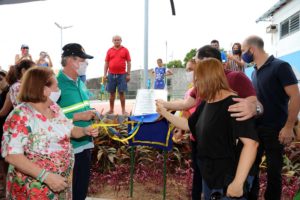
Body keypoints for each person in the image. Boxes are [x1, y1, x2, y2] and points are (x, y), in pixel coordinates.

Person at [157, 58, 259, 199]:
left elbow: (251, 144)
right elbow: (188, 125)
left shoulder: (234, 104)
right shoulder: (207, 103)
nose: (195, 84)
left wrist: (238, 182)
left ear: (209, 79)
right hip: (211, 176)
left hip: (229, 179)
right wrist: (164, 113)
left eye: (198, 80)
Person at [1, 67, 99, 199]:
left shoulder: (54, 108)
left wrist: (84, 131)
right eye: (56, 87)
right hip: (34, 189)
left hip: (59, 185)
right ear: (43, 89)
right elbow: (12, 156)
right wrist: (46, 177)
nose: (59, 90)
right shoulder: (21, 115)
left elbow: (68, 129)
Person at [242, 35, 300, 200]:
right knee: (251, 168)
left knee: (273, 172)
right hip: (255, 129)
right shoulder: (254, 72)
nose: (243, 55)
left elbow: (296, 96)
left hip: (275, 130)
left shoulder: (280, 66)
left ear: (252, 49)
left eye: (244, 50)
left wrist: (289, 127)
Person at [57, 43, 96, 200]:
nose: (85, 64)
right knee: (68, 191)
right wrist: (79, 117)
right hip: (69, 147)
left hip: (86, 143)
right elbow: (47, 117)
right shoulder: (55, 85)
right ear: (71, 61)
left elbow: (82, 107)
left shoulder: (80, 82)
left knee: (81, 190)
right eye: (82, 60)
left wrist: (92, 113)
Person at [104, 35, 131, 115]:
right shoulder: (109, 50)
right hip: (111, 75)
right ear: (112, 41)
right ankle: (111, 110)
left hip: (122, 75)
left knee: (122, 93)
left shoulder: (125, 50)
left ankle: (123, 110)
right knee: (111, 93)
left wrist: (128, 74)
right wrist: (105, 74)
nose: (117, 41)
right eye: (115, 40)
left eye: (118, 40)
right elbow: (106, 63)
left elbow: (129, 62)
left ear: (121, 40)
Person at [0, 70, 10, 197]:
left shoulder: (9, 92)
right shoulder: (2, 93)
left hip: (6, 131)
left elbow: (3, 112)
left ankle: (7, 189)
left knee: (6, 160)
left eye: (1, 79)